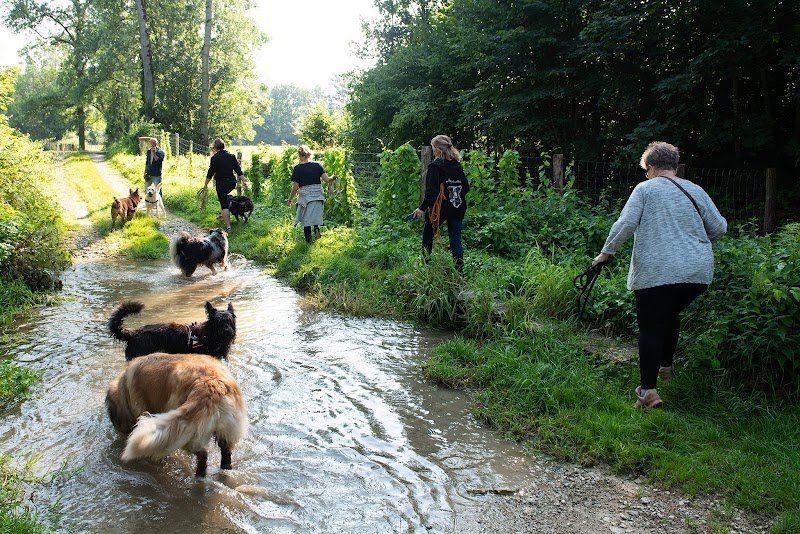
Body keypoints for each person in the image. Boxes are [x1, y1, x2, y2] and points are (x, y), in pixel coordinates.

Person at [592, 141, 727, 409]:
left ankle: (648, 392)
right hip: (697, 273)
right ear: (674, 166)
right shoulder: (695, 190)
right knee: (668, 315)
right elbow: (719, 228)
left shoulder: (645, 189)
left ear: (651, 167)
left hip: (658, 271)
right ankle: (666, 367)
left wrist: (605, 254)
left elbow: (626, 224)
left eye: (646, 170)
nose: (646, 174)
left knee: (651, 326)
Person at [411, 134, 469, 273]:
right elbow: (466, 187)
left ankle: (426, 267)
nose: (433, 150)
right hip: (458, 206)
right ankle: (459, 273)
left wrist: (422, 208)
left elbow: (432, 191)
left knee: (427, 235)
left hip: (441, 208)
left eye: (433, 148)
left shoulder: (435, 166)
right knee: (455, 240)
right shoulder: (457, 165)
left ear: (438, 149)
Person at [286, 145, 337, 243]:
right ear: (309, 154)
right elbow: (327, 180)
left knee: (306, 221)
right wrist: (333, 177)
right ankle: (317, 229)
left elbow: (295, 188)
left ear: (300, 155)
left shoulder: (298, 168)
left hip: (306, 198)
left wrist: (290, 200)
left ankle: (308, 243)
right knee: (314, 217)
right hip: (318, 196)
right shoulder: (317, 165)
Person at [203, 138, 245, 231]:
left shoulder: (215, 158)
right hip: (232, 183)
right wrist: (244, 181)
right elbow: (238, 170)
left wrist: (205, 184)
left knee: (223, 204)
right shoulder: (232, 156)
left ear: (214, 147)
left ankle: (228, 227)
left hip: (221, 183)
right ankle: (223, 214)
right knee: (225, 198)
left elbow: (210, 172)